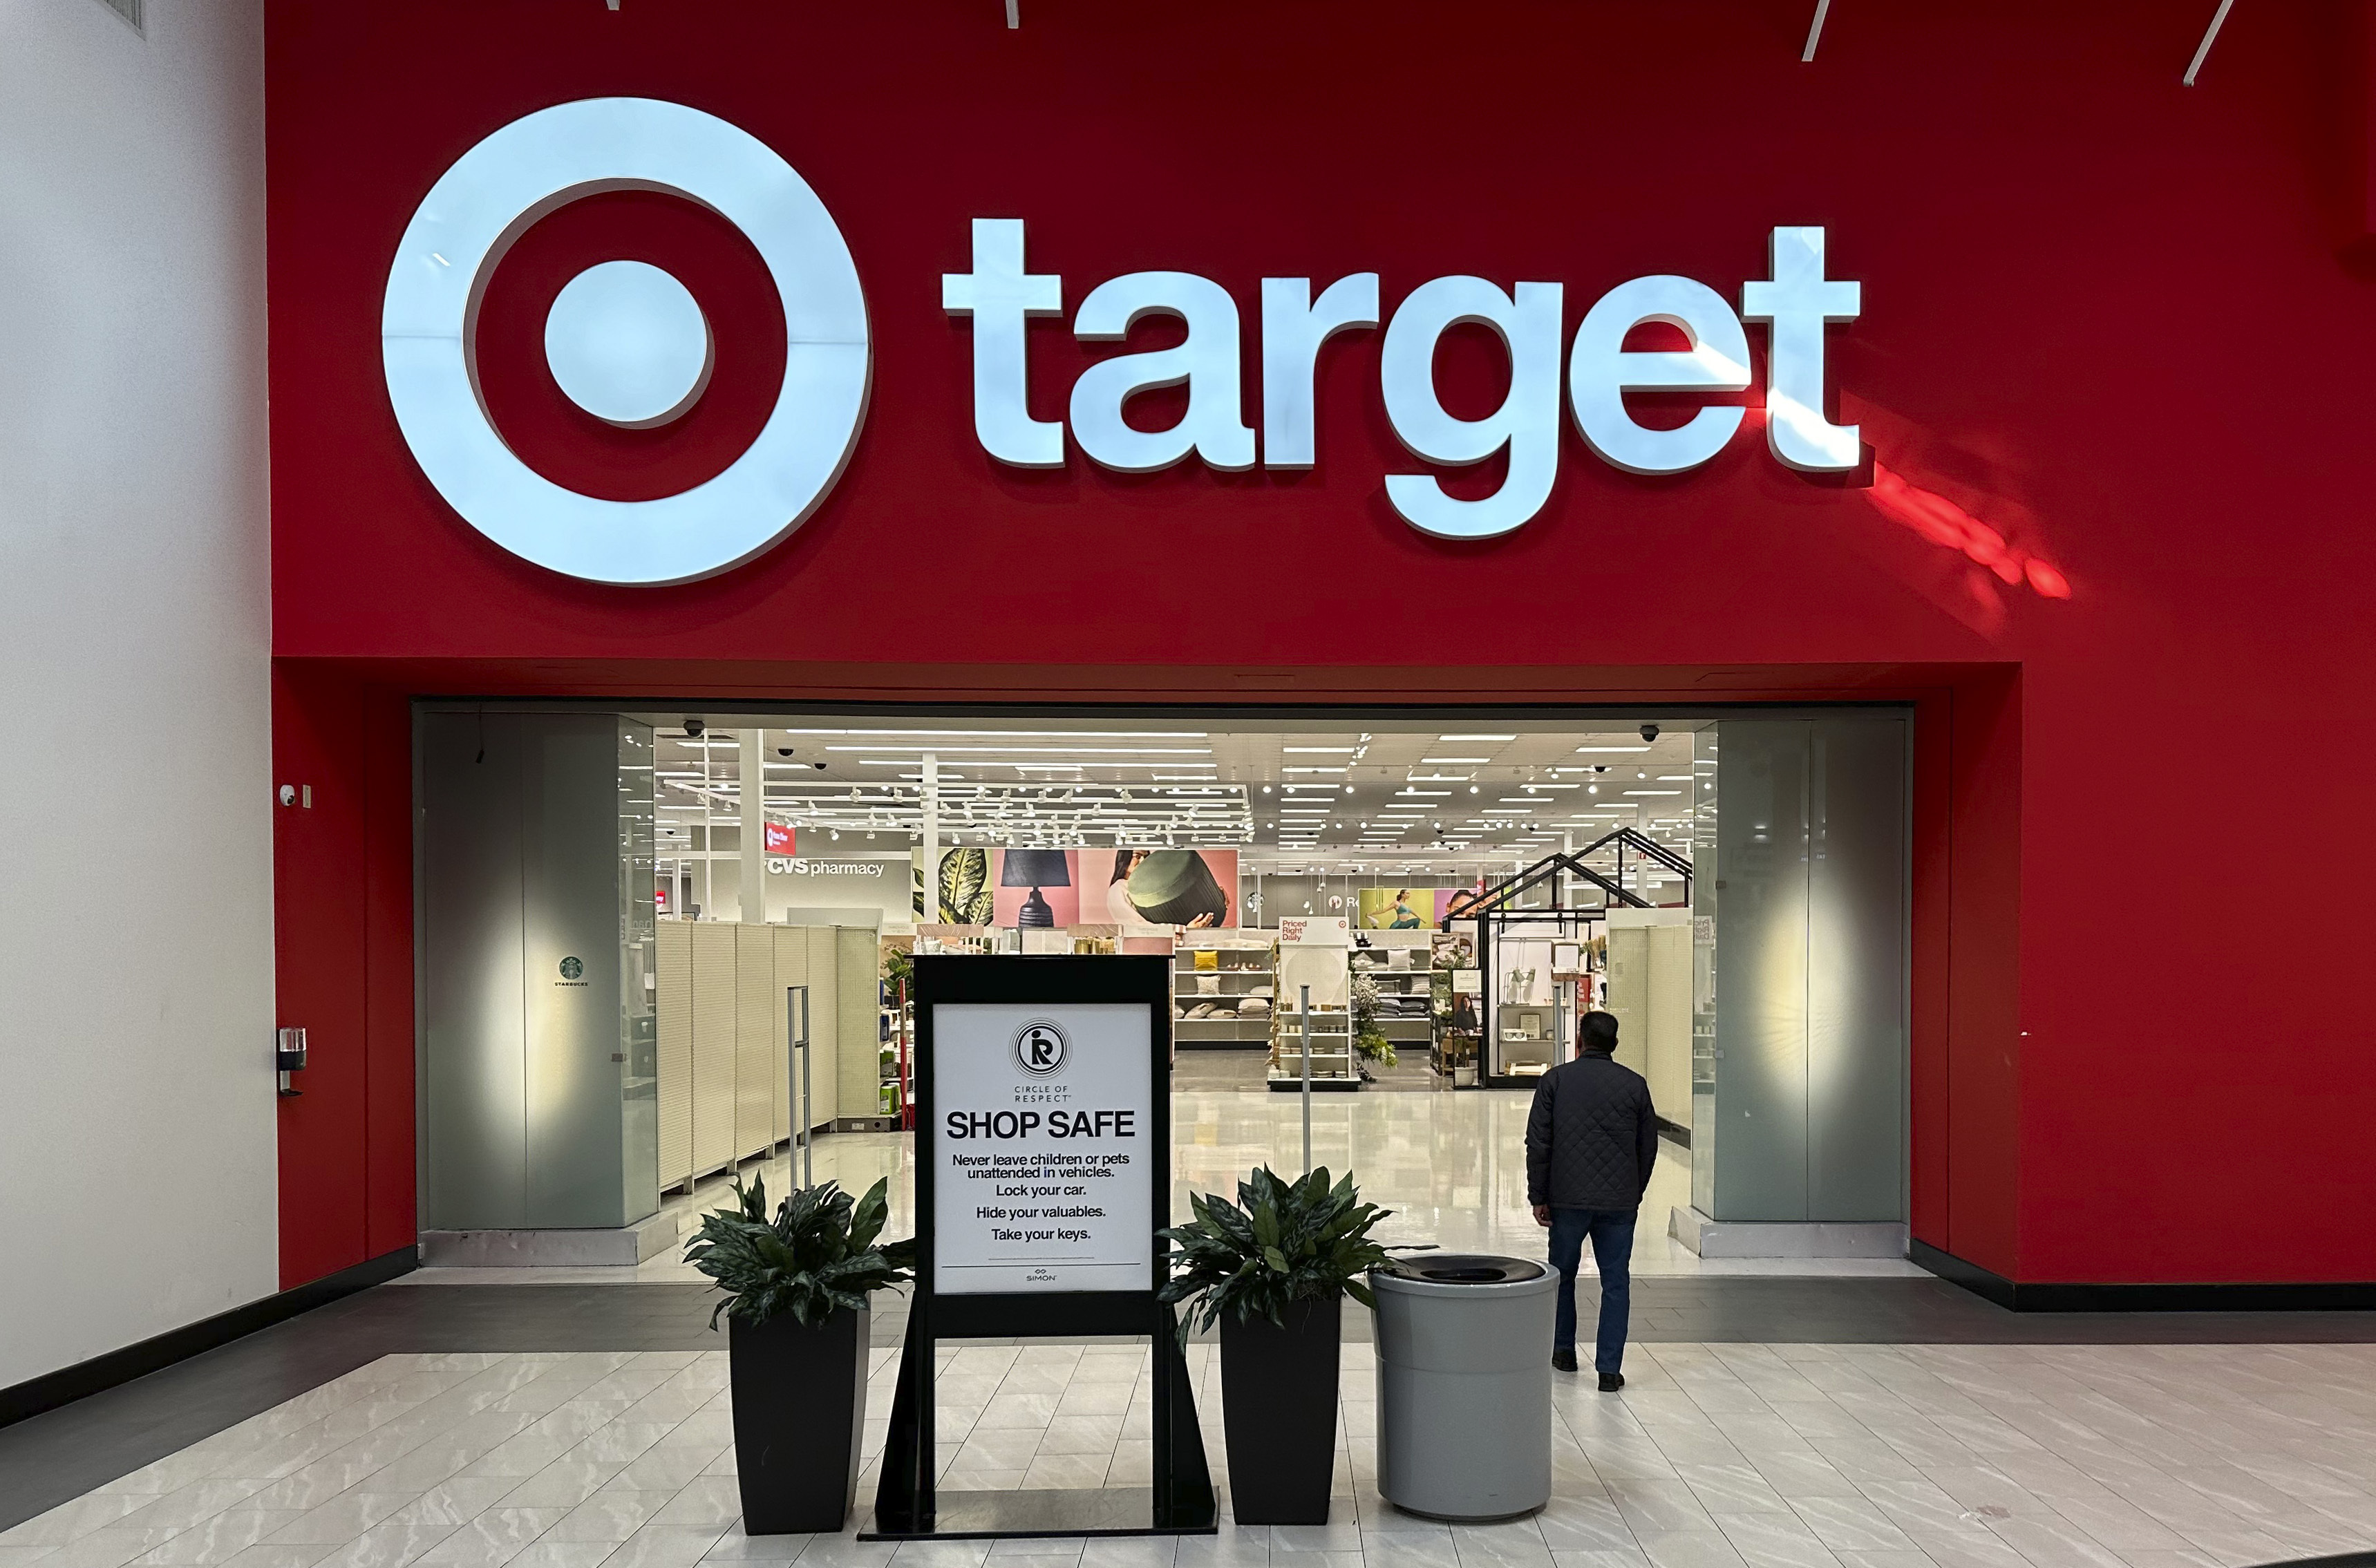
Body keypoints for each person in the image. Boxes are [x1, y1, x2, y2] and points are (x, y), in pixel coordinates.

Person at [1525, 1010, 1657, 1390]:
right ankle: (1609, 1370)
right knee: (1616, 1281)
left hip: (1567, 1200)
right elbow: (1648, 1147)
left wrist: (1539, 1195)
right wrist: (1635, 1190)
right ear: (1615, 1044)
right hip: (1618, 1203)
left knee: (1561, 1276)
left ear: (1579, 1041)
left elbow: (1539, 1143)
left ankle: (1563, 1351)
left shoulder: (1555, 1081)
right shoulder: (1635, 1086)